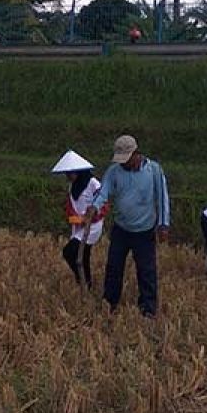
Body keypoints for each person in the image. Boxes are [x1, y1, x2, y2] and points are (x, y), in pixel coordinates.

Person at [81, 135, 171, 317]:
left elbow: (163, 198)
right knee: (114, 267)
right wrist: (93, 207)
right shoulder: (114, 172)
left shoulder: (154, 171)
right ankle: (110, 303)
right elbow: (103, 192)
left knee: (146, 270)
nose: (123, 163)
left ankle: (148, 308)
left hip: (144, 231)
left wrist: (163, 225)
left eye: (126, 159)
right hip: (121, 228)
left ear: (135, 154)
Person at [51, 150, 107, 288]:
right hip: (79, 225)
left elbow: (103, 203)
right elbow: (70, 206)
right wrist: (74, 219)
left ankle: (82, 279)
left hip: (92, 226)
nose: (68, 176)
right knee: (83, 256)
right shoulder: (72, 187)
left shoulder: (93, 183)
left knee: (69, 252)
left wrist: (90, 217)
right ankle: (86, 284)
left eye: (71, 173)